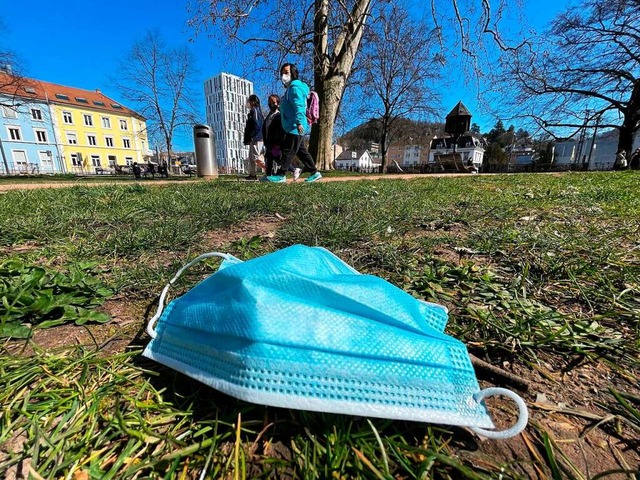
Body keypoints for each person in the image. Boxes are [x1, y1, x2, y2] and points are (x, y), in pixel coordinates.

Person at [266, 63, 322, 183]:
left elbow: (299, 106)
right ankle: (315, 172)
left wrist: (299, 122)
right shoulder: (290, 89)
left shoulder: (295, 88)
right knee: (301, 151)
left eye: (286, 72)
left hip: (296, 125)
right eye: (282, 73)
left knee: (288, 150)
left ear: (293, 73)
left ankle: (281, 175)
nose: (283, 76)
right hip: (293, 125)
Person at [261, 94, 302, 180]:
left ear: (278, 103)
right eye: (269, 103)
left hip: (277, 143)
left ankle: (294, 169)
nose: (270, 104)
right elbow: (265, 130)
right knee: (269, 158)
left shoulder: (280, 116)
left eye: (273, 102)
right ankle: (268, 175)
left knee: (277, 159)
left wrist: (278, 143)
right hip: (269, 142)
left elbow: (281, 131)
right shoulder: (268, 117)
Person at [243, 94, 264, 180]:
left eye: (249, 101)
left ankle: (270, 171)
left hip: (257, 138)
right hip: (254, 137)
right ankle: (252, 174)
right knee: (251, 158)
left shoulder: (255, 111)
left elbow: (257, 124)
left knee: (256, 157)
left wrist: (253, 135)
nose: (248, 103)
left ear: (253, 102)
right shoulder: (254, 111)